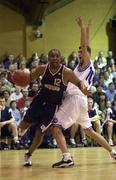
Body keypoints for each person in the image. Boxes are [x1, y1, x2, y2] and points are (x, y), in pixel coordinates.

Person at [50, 16, 116, 168]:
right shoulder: (83, 66)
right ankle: (112, 152)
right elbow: (86, 45)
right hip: (81, 101)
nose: (79, 53)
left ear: (86, 53)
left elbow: (85, 44)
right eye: (79, 52)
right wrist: (87, 29)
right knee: (90, 131)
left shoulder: (86, 63)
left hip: (74, 100)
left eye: (82, 52)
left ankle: (67, 157)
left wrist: (81, 28)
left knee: (55, 126)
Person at [18, 48, 88, 166]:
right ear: (48, 58)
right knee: (24, 125)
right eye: (52, 56)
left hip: (52, 107)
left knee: (40, 132)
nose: (55, 58)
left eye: (57, 56)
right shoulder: (42, 68)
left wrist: (84, 89)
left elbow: (79, 82)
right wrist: (19, 79)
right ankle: (22, 132)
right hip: (39, 101)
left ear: (60, 58)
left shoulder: (67, 72)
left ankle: (28, 154)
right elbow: (29, 77)